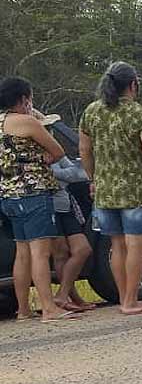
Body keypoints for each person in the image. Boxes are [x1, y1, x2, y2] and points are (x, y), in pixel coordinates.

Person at [79, 62, 142, 315]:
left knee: (116, 245)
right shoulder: (139, 114)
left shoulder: (91, 112)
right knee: (136, 245)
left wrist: (93, 178)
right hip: (136, 189)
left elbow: (84, 151)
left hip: (105, 189)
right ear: (133, 84)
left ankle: (124, 298)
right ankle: (131, 300)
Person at [0, 77, 77, 322]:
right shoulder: (28, 122)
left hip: (9, 194)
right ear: (24, 99)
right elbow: (58, 151)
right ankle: (48, 307)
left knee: (21, 252)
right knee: (40, 252)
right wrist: (43, 158)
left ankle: (23, 309)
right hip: (34, 192)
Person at [39, 109, 94, 313]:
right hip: (50, 205)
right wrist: (59, 174)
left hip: (64, 204)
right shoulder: (33, 152)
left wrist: (56, 172)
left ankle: (64, 294)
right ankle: (69, 297)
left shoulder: (54, 150)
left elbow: (75, 172)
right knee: (60, 253)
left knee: (82, 249)